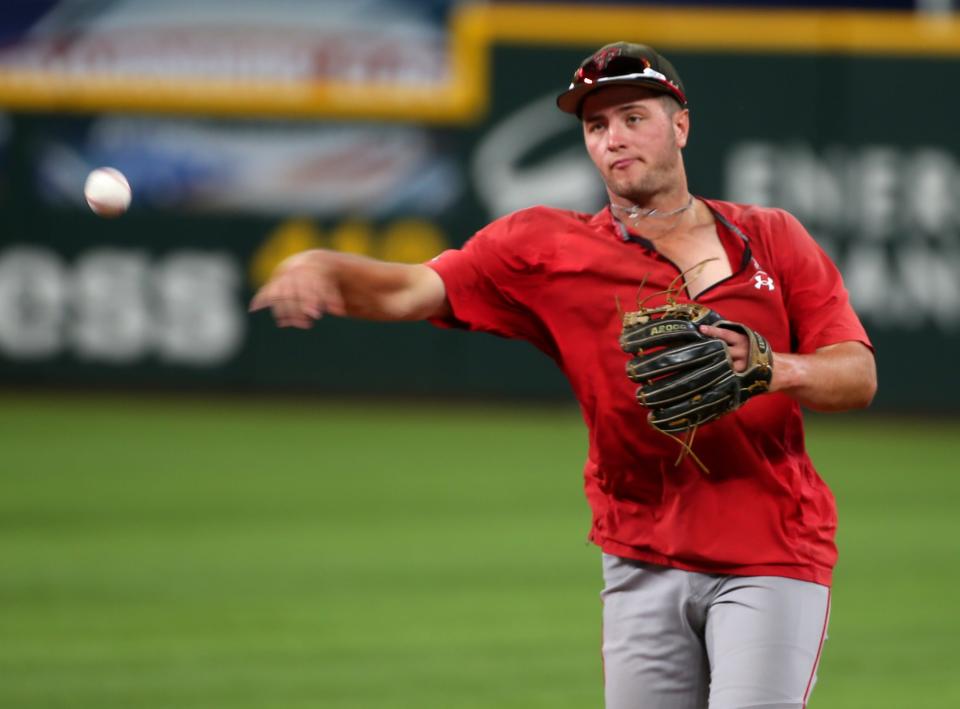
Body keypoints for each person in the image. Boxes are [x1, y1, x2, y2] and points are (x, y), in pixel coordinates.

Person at [250, 41, 877, 709]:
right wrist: (325, 265)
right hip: (639, 555)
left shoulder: (772, 238)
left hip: (772, 551)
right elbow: (411, 290)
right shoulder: (544, 248)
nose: (614, 138)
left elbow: (857, 374)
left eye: (633, 117)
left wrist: (769, 367)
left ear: (680, 125)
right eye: (596, 125)